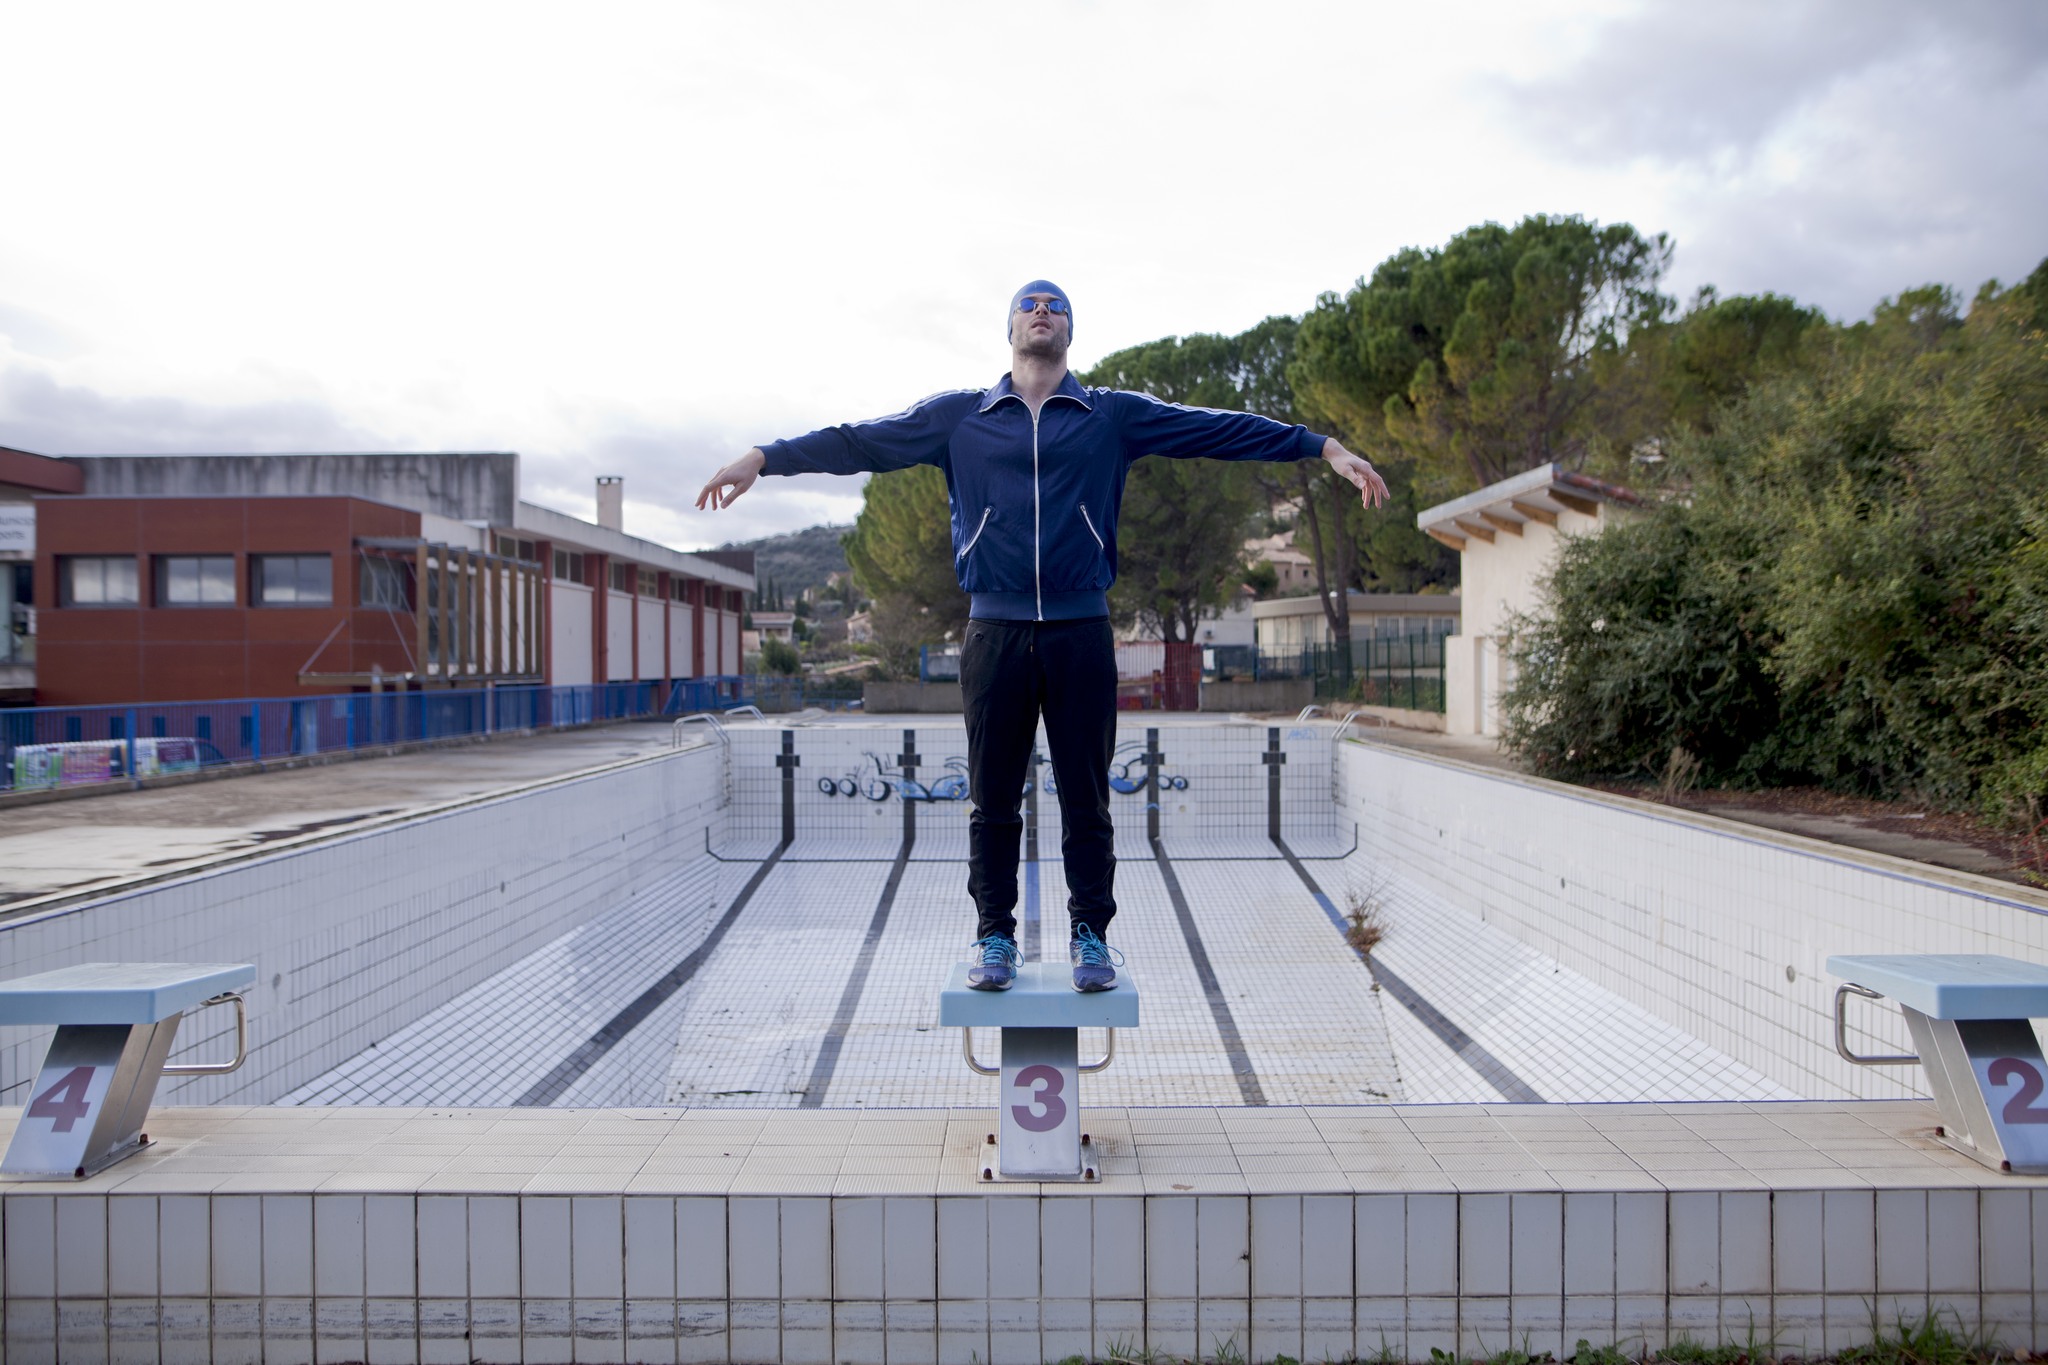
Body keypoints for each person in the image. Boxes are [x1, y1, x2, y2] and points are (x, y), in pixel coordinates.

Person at [696, 280, 1388, 992]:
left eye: (1055, 304)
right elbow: (858, 440)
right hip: (992, 632)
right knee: (994, 799)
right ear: (1010, 327)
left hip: (1080, 630)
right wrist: (765, 456)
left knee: (1086, 798)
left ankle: (1091, 935)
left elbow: (1216, 427)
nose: (1042, 311)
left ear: (1070, 330)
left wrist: (1322, 446)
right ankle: (995, 935)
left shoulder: (1109, 416)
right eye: (1030, 303)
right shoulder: (959, 418)